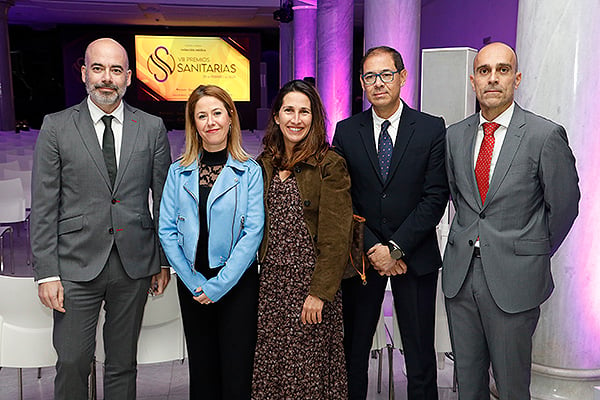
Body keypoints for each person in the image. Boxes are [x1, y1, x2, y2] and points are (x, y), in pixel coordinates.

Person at [31, 38, 172, 400]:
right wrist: (47, 272)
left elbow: (165, 202)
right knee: (74, 360)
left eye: (114, 70)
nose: (106, 78)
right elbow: (44, 205)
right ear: (84, 74)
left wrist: (164, 261)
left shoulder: (152, 127)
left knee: (123, 362)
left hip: (135, 263)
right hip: (75, 264)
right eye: (98, 68)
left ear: (128, 77)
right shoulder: (57, 126)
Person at [442, 42, 580, 400]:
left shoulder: (544, 135)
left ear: (516, 79)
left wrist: (529, 251)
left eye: (502, 70)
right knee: (467, 384)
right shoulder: (455, 136)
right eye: (484, 71)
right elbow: (462, 199)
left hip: (514, 280)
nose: (493, 79)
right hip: (461, 278)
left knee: (512, 386)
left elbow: (564, 206)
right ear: (473, 81)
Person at [333, 46, 449, 400]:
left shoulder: (430, 128)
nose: (378, 83)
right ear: (362, 83)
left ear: (402, 77)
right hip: (361, 259)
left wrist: (395, 248)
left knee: (419, 356)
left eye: (386, 74)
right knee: (353, 353)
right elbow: (342, 199)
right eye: (370, 76)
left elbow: (435, 197)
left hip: (413, 257)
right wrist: (373, 246)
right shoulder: (346, 131)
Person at [158, 84, 264, 399]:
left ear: (230, 117)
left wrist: (218, 285)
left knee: (237, 369)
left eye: (217, 113)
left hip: (237, 283)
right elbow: (167, 230)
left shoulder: (250, 171)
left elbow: (253, 232)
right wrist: (194, 282)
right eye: (201, 116)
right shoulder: (178, 172)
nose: (210, 122)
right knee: (203, 370)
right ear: (194, 124)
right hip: (193, 282)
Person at [252, 79, 352, 399]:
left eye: (304, 112)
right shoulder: (265, 163)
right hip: (271, 284)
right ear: (277, 117)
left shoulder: (330, 163)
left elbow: (337, 237)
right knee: (273, 370)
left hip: (310, 284)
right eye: (289, 110)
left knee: (306, 375)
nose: (297, 119)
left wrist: (320, 293)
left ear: (315, 118)